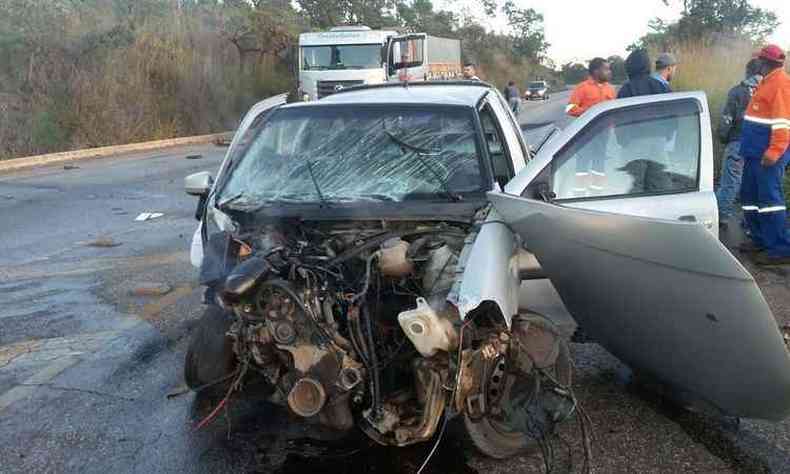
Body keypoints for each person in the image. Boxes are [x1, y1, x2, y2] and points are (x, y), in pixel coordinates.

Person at [738, 44, 790, 265]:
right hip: (754, 154)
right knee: (750, 197)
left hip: (767, 155)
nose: (756, 62)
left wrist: (774, 152)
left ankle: (779, 249)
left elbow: (782, 124)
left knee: (770, 200)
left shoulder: (780, 84)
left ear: (765, 62)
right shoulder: (767, 82)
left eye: (759, 59)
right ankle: (759, 239)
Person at [716, 58, 763, 226]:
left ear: (747, 72)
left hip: (738, 142)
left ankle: (721, 217)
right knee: (754, 183)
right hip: (761, 146)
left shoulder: (737, 92)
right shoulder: (767, 91)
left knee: (730, 182)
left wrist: (722, 137)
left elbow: (727, 119)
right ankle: (751, 221)